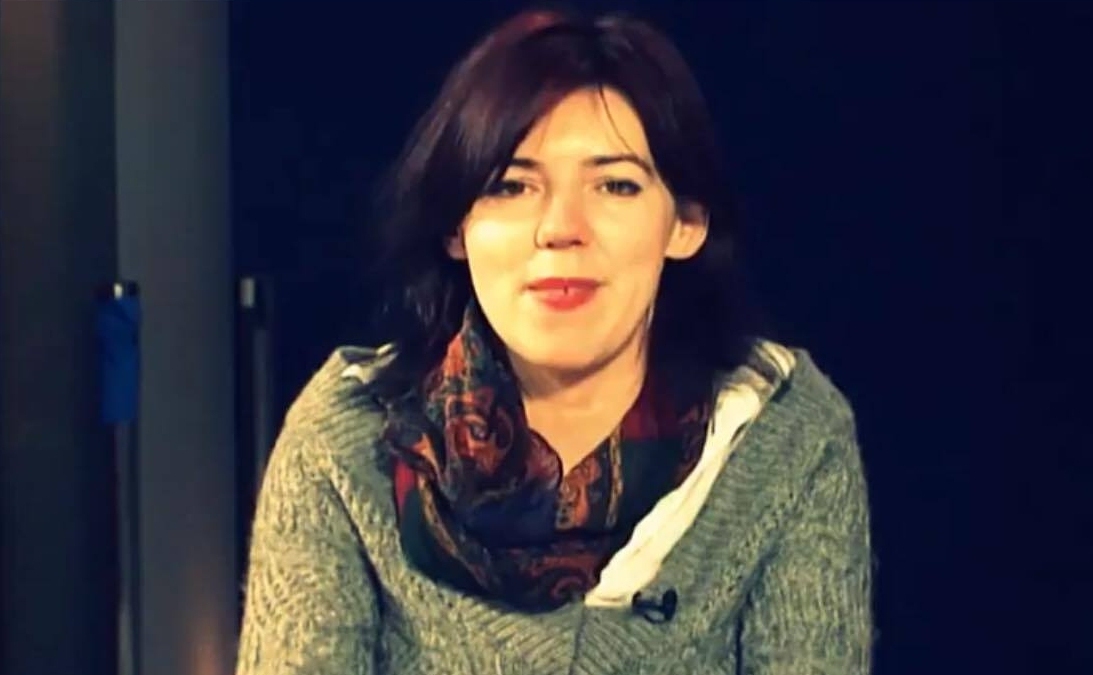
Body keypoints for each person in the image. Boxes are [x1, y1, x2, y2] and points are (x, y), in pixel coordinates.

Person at [236, 7, 873, 675]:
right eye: (511, 186)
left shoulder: (783, 434)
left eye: (615, 185)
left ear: (684, 223)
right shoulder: (346, 440)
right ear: (456, 228)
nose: (560, 227)